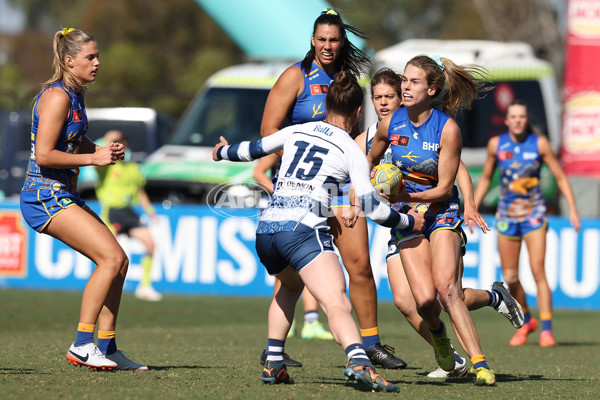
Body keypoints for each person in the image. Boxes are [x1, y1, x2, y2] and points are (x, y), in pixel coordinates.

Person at [213, 71, 424, 391]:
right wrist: (409, 222)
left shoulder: (297, 130)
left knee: (289, 286)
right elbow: (372, 207)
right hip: (302, 229)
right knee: (336, 300)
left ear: (325, 105)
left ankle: (273, 360)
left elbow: (251, 149)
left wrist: (220, 152)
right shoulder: (351, 149)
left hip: (267, 229)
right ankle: (359, 362)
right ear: (357, 112)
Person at [257, 7, 406, 369]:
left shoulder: (347, 77)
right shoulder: (295, 76)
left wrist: (359, 173)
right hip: (304, 192)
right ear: (312, 40)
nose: (327, 45)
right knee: (295, 272)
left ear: (342, 42)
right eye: (321, 39)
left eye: (334, 39)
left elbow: (354, 135)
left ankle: (370, 343)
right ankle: (273, 348)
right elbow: (268, 134)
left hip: (341, 188)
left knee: (359, 265)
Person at [358, 68, 523, 379]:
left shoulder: (438, 128)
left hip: (439, 213)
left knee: (447, 292)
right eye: (376, 98)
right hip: (403, 219)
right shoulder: (376, 131)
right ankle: (454, 341)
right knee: (413, 302)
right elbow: (354, 162)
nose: (383, 103)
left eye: (389, 96)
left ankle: (474, 360)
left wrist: (470, 204)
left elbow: (456, 170)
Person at [19, 28, 147, 371]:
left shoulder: (75, 94)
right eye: (90, 57)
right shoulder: (58, 96)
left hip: (61, 194)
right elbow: (44, 155)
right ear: (68, 61)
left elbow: (73, 139)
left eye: (97, 55)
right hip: (42, 195)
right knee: (109, 259)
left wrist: (100, 149)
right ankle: (82, 344)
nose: (97, 62)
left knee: (119, 261)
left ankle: (106, 346)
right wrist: (94, 160)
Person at [474, 100, 581, 347]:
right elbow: (486, 178)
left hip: (534, 217)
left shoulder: (539, 144)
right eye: (514, 116)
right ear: (507, 120)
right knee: (510, 277)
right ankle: (528, 320)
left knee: (537, 271)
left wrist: (573, 210)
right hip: (506, 218)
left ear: (526, 119)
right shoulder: (496, 145)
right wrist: (473, 207)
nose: (518, 120)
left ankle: (547, 328)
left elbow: (560, 177)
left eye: (522, 116)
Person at [95, 130, 162, 302]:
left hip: (129, 212)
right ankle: (106, 286)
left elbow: (140, 192)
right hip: (112, 211)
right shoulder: (107, 165)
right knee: (111, 252)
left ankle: (145, 286)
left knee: (150, 244)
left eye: (120, 142)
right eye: (114, 142)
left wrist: (151, 213)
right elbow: (95, 162)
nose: (118, 144)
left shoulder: (133, 168)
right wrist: (106, 140)